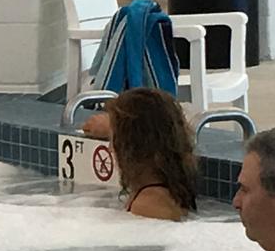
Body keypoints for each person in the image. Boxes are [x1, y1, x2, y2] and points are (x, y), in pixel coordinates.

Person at [81, 87, 196, 221]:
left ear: (131, 148)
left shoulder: (150, 206)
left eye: (114, 140)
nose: (111, 149)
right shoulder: (157, 193)